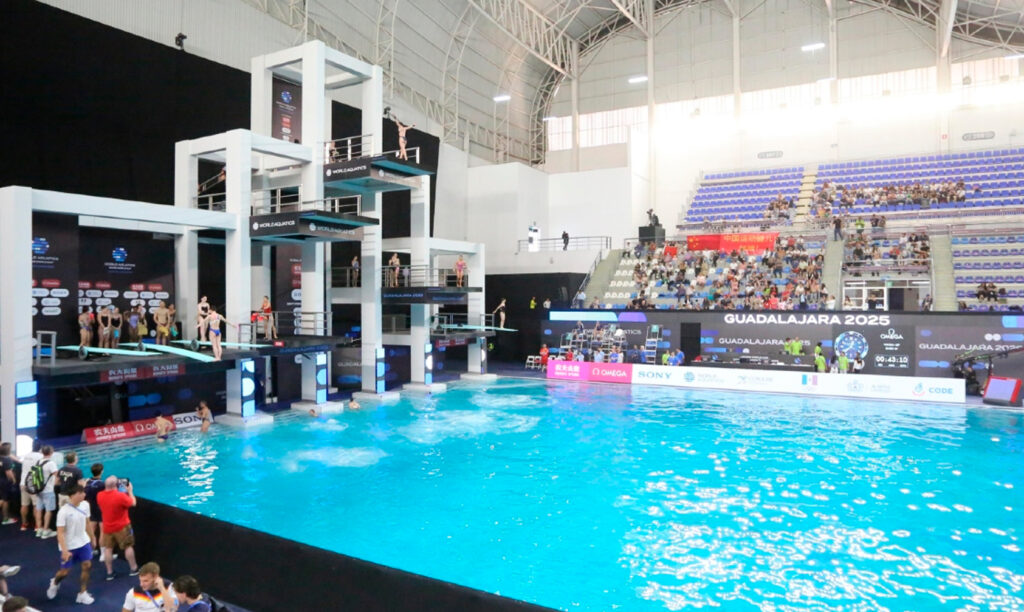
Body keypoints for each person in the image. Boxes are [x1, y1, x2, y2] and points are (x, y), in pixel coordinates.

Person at [46, 484, 96, 605]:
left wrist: (92, 538)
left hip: (83, 542)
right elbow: (60, 533)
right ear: (72, 495)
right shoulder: (63, 512)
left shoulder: (85, 505)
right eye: (80, 493)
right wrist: (64, 550)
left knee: (87, 565)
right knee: (65, 572)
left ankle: (82, 593)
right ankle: (55, 582)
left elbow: (87, 523)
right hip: (69, 546)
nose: (84, 494)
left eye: (83, 492)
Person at [97, 476, 139, 580]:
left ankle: (109, 572)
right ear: (116, 485)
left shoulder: (99, 495)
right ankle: (133, 568)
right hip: (122, 527)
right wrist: (130, 491)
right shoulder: (120, 496)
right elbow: (133, 503)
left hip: (107, 527)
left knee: (108, 549)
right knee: (128, 546)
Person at [34, 446, 59, 539]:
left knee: (39, 509)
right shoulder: (51, 463)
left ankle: (39, 529)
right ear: (51, 452)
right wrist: (55, 484)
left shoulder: (38, 461)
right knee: (48, 510)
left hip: (38, 489)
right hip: (48, 490)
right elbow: (57, 475)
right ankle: (45, 530)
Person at [17, 440, 42, 533]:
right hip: (33, 484)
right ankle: (37, 525)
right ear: (40, 448)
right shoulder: (40, 457)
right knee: (36, 505)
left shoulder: (26, 455)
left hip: (23, 483)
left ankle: (24, 524)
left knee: (24, 505)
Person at [83, 464, 105, 560]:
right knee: (103, 532)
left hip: (91, 508)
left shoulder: (87, 482)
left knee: (91, 531)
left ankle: (90, 550)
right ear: (101, 471)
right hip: (101, 509)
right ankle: (103, 554)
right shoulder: (102, 484)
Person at [0, 444, 17, 526]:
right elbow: (8, 472)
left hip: (1, 480)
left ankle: (5, 517)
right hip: (5, 482)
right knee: (5, 500)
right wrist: (14, 480)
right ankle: (5, 518)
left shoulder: (1, 458)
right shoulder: (7, 460)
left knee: (3, 498)